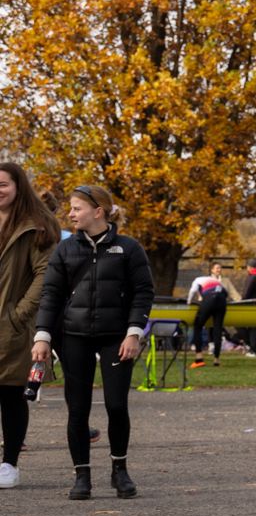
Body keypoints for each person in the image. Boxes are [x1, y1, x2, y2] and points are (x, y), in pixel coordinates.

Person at [31, 184, 155, 499]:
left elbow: (143, 293)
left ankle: (120, 470)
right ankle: (81, 476)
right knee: (78, 409)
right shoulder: (65, 249)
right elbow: (51, 294)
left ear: (97, 211)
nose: (70, 214)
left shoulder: (129, 248)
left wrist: (134, 332)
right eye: (71, 209)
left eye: (76, 208)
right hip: (74, 337)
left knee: (116, 405)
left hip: (117, 337)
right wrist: (43, 335)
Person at [0, 163, 59, 491]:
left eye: (3, 184)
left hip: (13, 324)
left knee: (10, 393)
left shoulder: (37, 226)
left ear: (18, 187)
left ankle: (9, 464)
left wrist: (19, 314)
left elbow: (45, 274)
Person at [186, 263, 232, 366]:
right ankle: (216, 359)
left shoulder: (197, 280)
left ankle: (199, 358)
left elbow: (193, 290)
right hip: (221, 300)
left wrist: (188, 302)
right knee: (218, 329)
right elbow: (225, 294)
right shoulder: (216, 281)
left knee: (197, 326)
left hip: (209, 300)